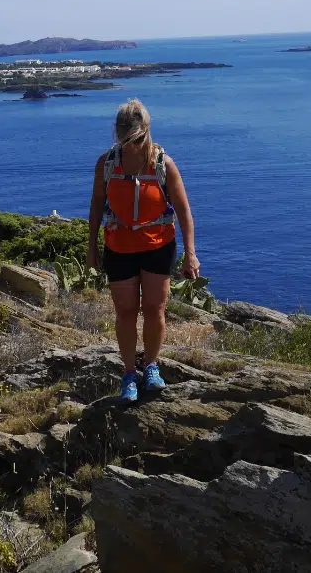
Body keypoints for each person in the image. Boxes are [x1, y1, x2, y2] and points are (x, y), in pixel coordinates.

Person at [87, 99, 199, 403]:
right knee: (125, 312)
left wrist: (190, 253)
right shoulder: (106, 164)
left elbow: (184, 211)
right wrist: (91, 248)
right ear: (117, 133)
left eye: (136, 139)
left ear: (146, 131)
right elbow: (96, 205)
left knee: (154, 309)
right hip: (119, 247)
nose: (132, 146)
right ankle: (128, 374)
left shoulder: (163, 164)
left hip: (158, 247)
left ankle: (151, 366)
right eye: (126, 140)